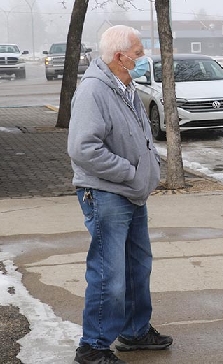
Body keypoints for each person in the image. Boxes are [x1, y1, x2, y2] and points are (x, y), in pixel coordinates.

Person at [68, 25, 173, 364]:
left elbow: (138, 136)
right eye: (139, 53)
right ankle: (93, 346)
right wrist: (130, 174)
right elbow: (83, 149)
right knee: (109, 274)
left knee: (137, 268)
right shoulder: (93, 91)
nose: (144, 59)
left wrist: (148, 171)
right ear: (119, 57)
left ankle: (134, 330)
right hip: (107, 194)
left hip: (132, 194)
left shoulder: (126, 86)